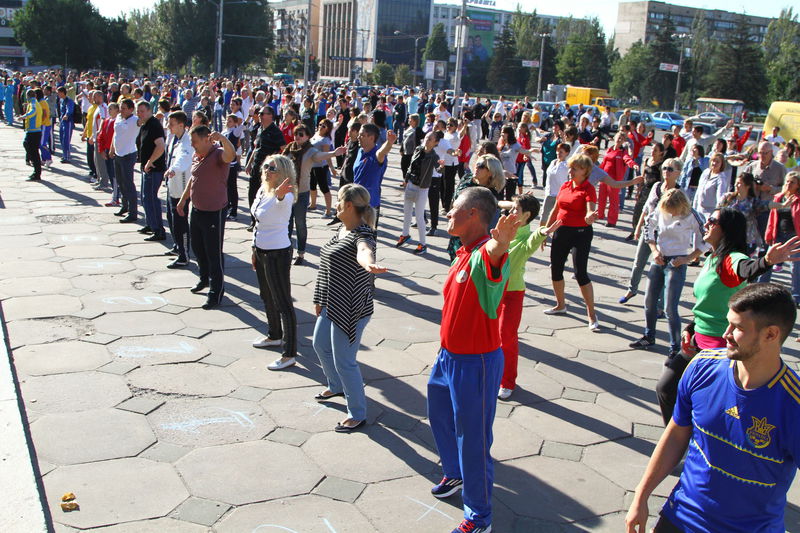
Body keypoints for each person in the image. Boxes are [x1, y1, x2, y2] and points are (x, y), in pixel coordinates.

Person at [626, 282, 800, 533]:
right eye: (728, 323)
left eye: (737, 327)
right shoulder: (702, 366)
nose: (726, 333)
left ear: (771, 334)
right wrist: (640, 497)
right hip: (680, 518)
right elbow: (676, 434)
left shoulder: (792, 404)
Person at [653, 208, 800, 425]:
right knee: (666, 388)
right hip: (696, 343)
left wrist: (766, 262)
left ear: (726, 230)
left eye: (712, 221)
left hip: (720, 348)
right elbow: (709, 303)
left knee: (711, 408)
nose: (706, 224)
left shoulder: (731, 259)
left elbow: (747, 268)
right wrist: (691, 328)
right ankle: (679, 438)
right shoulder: (713, 257)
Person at [428, 186, 519, 533]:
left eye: (454, 209)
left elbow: (495, 254)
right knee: (439, 416)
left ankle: (479, 517)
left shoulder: (485, 254)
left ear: (474, 215)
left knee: (474, 439)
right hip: (447, 357)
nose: (448, 213)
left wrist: (503, 242)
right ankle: (454, 473)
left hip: (476, 363)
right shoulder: (462, 252)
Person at [312, 184, 387, 433]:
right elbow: (327, 268)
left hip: (351, 307)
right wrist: (319, 298)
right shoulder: (343, 229)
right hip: (331, 302)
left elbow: (364, 251)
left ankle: (357, 413)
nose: (334, 205)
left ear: (348, 206)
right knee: (320, 345)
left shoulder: (362, 233)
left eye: (338, 202)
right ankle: (336, 386)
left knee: (345, 361)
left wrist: (370, 264)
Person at [496, 193, 560, 400]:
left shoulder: (524, 237)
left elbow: (533, 240)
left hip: (512, 293)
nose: (512, 212)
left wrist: (543, 231)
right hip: (493, 290)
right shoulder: (505, 227)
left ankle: (507, 382)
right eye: (513, 208)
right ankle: (490, 372)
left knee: (507, 337)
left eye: (516, 210)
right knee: (490, 334)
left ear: (526, 216)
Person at [630, 189, 707, 357]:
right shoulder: (660, 210)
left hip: (677, 261)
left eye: (673, 209)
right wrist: (654, 249)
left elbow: (707, 238)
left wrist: (689, 258)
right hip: (659, 258)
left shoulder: (691, 215)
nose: (670, 213)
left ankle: (675, 346)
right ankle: (649, 335)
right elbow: (648, 227)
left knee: (669, 307)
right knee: (649, 301)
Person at [176, 125, 236, 310]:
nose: (192, 145)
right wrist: (183, 200)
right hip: (197, 209)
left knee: (214, 253)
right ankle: (203, 279)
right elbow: (194, 179)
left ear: (206, 139)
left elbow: (231, 155)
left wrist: (223, 139)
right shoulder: (197, 155)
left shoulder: (218, 154)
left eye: (194, 141)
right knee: (198, 248)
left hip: (214, 211)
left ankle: (216, 292)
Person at [251, 154, 299, 371]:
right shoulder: (263, 190)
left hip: (277, 253)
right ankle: (274, 335)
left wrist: (279, 196)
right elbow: (258, 221)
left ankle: (289, 354)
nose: (267, 171)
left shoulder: (285, 195)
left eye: (273, 169)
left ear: (283, 175)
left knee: (283, 303)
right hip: (261, 250)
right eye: (266, 167)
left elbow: (281, 202)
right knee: (266, 295)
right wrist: (254, 249)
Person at [543, 154, 600, 330]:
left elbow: (591, 209)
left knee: (580, 272)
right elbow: (555, 208)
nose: (570, 171)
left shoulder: (588, 189)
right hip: (561, 231)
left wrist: (590, 216)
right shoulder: (565, 186)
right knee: (556, 268)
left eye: (574, 168)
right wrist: (545, 230)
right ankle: (560, 305)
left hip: (581, 233)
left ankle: (591, 314)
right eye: (570, 167)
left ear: (585, 171)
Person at [620, 157, 682, 305]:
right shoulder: (656, 186)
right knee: (638, 262)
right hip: (648, 231)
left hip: (664, 236)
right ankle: (632, 289)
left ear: (677, 173)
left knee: (661, 268)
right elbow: (646, 208)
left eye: (670, 169)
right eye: (665, 168)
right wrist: (638, 228)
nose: (666, 171)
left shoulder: (678, 193)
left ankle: (660, 304)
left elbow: (680, 217)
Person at [282, 125, 345, 265]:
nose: (297, 136)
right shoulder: (289, 149)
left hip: (302, 193)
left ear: (307, 136)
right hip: (287, 192)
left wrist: (334, 153)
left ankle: (301, 253)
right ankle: (286, 251)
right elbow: (281, 163)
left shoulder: (310, 151)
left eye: (301, 134)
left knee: (299, 223)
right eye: (296, 133)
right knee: (286, 223)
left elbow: (320, 156)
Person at [758, 171, 800, 301]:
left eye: (792, 182)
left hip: (794, 236)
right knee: (768, 260)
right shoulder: (778, 198)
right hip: (778, 235)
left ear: (798, 185)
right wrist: (769, 234)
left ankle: (796, 295)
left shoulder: (798, 199)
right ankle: (760, 288)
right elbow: (772, 218)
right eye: (787, 181)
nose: (788, 184)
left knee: (796, 267)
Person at [397, 131, 441, 253]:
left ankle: (423, 244)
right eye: (426, 137)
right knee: (407, 211)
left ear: (435, 143)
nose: (426, 140)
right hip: (411, 184)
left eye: (430, 139)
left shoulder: (434, 156)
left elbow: (439, 169)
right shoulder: (418, 149)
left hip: (422, 187)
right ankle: (405, 235)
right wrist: (406, 179)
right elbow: (411, 165)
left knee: (419, 216)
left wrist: (441, 167)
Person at [246, 106, 285, 230]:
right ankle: (254, 220)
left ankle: (263, 221)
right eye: (259, 113)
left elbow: (284, 149)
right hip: (256, 167)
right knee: (252, 194)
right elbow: (256, 148)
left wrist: (276, 164)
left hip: (268, 171)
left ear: (270, 116)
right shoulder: (259, 129)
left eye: (263, 113)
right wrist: (249, 163)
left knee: (265, 196)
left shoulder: (275, 131)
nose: (260, 115)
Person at [164, 110, 193, 268]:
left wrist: (173, 169)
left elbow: (184, 159)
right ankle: (177, 246)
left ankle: (184, 255)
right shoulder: (175, 138)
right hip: (172, 185)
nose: (169, 126)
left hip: (181, 188)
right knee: (171, 217)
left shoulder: (187, 142)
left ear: (181, 125)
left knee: (180, 221)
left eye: (172, 124)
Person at [353, 123, 396, 229]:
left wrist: (389, 143)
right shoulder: (360, 151)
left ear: (371, 138)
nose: (358, 137)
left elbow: (382, 153)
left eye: (362, 135)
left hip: (369, 206)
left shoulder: (376, 155)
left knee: (367, 240)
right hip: (355, 202)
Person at [136, 101, 167, 241]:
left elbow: (160, 146)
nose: (140, 113)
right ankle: (150, 223)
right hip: (146, 167)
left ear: (149, 111)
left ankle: (158, 230)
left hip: (154, 169)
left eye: (142, 111)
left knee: (151, 198)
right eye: (138, 111)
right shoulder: (145, 124)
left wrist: (150, 161)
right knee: (145, 197)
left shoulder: (154, 125)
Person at [598, 132, 638, 227]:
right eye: (618, 137)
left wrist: (633, 164)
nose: (619, 139)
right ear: (615, 138)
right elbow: (603, 162)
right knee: (601, 198)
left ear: (624, 141)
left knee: (613, 201)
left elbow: (627, 159)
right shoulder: (609, 149)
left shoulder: (623, 152)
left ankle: (612, 221)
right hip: (604, 177)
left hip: (614, 180)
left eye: (622, 138)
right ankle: (599, 215)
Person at [112, 99, 140, 222]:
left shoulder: (135, 120)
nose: (121, 110)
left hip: (128, 154)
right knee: (120, 182)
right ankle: (124, 206)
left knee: (129, 183)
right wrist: (112, 148)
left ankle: (133, 212)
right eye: (120, 107)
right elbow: (115, 133)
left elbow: (144, 121)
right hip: (118, 153)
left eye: (124, 108)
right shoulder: (119, 117)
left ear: (130, 109)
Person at [692, 151, 729, 221]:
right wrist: (694, 209)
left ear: (722, 164)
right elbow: (698, 191)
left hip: (709, 213)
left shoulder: (721, 178)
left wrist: (716, 215)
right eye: (713, 160)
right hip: (698, 210)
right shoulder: (706, 172)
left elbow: (720, 198)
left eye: (717, 162)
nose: (714, 163)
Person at [540, 142, 571, 223]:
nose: (558, 153)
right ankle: (541, 234)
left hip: (560, 195)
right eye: (557, 151)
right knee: (544, 216)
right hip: (549, 193)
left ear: (567, 153)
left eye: (561, 152)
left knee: (557, 217)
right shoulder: (553, 162)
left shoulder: (567, 165)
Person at [21, 89, 43, 181]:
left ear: (28, 96)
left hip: (34, 131)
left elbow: (33, 111)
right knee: (29, 147)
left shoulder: (33, 103)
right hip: (32, 130)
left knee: (33, 152)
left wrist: (25, 116)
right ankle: (36, 171)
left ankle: (37, 173)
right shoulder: (33, 102)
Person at [56, 86, 74, 163]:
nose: (58, 94)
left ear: (63, 92)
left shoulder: (69, 100)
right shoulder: (61, 100)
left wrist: (67, 115)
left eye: (59, 93)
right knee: (61, 139)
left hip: (68, 122)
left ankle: (67, 156)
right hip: (62, 122)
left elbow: (69, 109)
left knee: (66, 139)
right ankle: (64, 155)